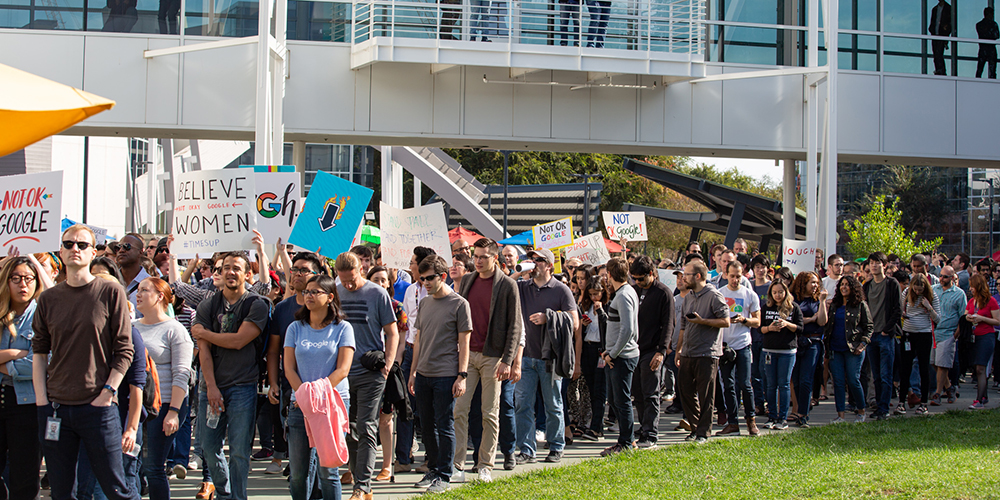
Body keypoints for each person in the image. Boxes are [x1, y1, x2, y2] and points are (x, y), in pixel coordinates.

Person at [32, 224, 138, 500]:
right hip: (56, 408)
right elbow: (40, 353)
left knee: (116, 489)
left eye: (81, 245)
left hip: (98, 408)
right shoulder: (48, 298)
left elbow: (125, 351)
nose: (74, 249)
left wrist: (108, 392)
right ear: (61, 251)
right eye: (68, 244)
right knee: (62, 492)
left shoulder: (110, 292)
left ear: (93, 252)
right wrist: (42, 401)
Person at [192, 252, 271, 500]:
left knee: (238, 450)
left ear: (248, 274)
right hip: (211, 387)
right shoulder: (207, 305)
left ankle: (238, 497)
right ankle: (225, 493)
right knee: (209, 446)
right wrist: (211, 387)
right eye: (226, 267)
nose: (230, 272)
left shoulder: (256, 304)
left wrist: (204, 334)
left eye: (236, 268)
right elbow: (203, 353)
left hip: (242, 387)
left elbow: (239, 341)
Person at [453, 238, 522, 482]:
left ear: (495, 258)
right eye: (476, 256)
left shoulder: (506, 285)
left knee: (489, 413)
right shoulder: (468, 280)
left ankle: (486, 465)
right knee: (460, 409)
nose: (478, 260)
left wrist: (508, 359)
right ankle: (458, 464)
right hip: (468, 355)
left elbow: (515, 325)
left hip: (493, 356)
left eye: (483, 256)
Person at [334, 252, 399, 500]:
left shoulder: (376, 294)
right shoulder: (337, 292)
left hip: (371, 371)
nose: (348, 285)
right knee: (349, 428)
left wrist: (388, 364)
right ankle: (356, 473)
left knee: (367, 426)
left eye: (352, 279)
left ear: (361, 270)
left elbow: (392, 332)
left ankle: (363, 486)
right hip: (342, 372)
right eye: (343, 280)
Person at [284, 275, 355, 500]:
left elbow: (343, 369)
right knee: (297, 473)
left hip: (331, 404)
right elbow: (289, 368)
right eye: (307, 291)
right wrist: (305, 396)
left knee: (328, 471)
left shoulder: (343, 328)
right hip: (300, 404)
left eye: (316, 292)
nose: (309, 296)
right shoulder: (295, 328)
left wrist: (318, 394)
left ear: (330, 297)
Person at [408, 256, 471, 494]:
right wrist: (413, 372)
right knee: (426, 424)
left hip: (446, 374)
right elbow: (419, 339)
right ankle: (433, 468)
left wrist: (462, 375)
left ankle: (446, 474)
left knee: (445, 424)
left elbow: (464, 343)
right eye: (421, 278)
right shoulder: (424, 303)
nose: (424, 282)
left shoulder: (459, 304)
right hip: (424, 373)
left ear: (442, 276)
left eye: (429, 278)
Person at [263, 252, 325, 491]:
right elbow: (273, 351)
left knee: (320, 448)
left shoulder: (328, 308)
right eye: (294, 269)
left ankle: (316, 490)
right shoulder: (282, 309)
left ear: (317, 276)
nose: (297, 274)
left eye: (304, 270)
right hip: (291, 389)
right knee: (298, 445)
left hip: (323, 390)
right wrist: (274, 382)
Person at [514, 248, 576, 463]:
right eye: (531, 259)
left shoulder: (561, 290)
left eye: (538, 260)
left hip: (550, 358)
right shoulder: (523, 286)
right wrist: (520, 270)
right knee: (523, 405)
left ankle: (556, 446)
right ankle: (526, 449)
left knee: (553, 404)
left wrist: (549, 317)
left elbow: (574, 322)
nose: (533, 263)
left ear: (549, 265)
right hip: (525, 356)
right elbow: (501, 286)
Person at [135, 277, 194, 500]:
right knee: (132, 464)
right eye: (138, 290)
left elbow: (182, 373)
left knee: (153, 467)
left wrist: (174, 412)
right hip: (135, 405)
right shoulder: (132, 327)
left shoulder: (175, 330)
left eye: (145, 290)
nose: (138, 294)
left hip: (164, 405)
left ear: (160, 296)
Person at [0, 254, 51, 500]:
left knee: (24, 475)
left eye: (29, 278)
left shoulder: (43, 315)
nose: (23, 284)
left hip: (28, 405)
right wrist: (13, 354)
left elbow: (41, 363)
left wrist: (5, 362)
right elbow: (29, 359)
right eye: (16, 278)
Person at [674, 259, 730, 444]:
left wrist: (703, 321)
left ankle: (704, 433)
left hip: (707, 353)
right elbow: (683, 326)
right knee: (685, 391)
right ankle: (695, 426)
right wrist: (679, 350)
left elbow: (726, 321)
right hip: (688, 351)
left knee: (706, 395)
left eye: (687, 275)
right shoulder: (688, 297)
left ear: (698, 276)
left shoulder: (714, 296)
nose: (683, 278)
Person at [366, 266, 407, 482]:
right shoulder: (362, 303)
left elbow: (400, 338)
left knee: (386, 418)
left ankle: (386, 465)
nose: (380, 284)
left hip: (388, 368)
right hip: (364, 367)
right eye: (376, 279)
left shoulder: (396, 307)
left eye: (384, 280)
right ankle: (358, 466)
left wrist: (393, 362)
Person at [395, 246, 435, 475]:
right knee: (404, 406)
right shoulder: (410, 290)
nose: (409, 266)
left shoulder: (438, 292)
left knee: (428, 408)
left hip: (431, 353)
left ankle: (432, 458)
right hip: (410, 350)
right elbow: (408, 325)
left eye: (412, 263)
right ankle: (403, 457)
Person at [628, 256, 673, 447]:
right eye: (634, 279)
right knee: (637, 392)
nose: (637, 282)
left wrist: (661, 351)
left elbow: (669, 324)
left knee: (651, 393)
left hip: (653, 350)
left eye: (641, 279)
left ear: (651, 274)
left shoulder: (663, 293)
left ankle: (651, 433)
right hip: (636, 348)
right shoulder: (635, 290)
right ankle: (644, 425)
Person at [598, 257, 639, 456]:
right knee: (615, 400)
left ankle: (626, 442)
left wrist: (612, 353)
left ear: (611, 275)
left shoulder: (623, 295)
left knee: (621, 401)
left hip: (622, 356)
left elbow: (628, 329)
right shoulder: (625, 292)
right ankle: (627, 439)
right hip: (616, 354)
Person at [716, 261, 760, 436]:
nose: (735, 280)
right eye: (732, 276)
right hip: (726, 346)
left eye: (738, 276)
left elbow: (757, 322)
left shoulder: (750, 295)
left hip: (743, 344)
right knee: (728, 385)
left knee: (745, 384)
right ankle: (732, 422)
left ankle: (751, 420)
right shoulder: (720, 294)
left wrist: (744, 320)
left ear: (743, 275)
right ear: (726, 275)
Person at [824, 276, 872, 423]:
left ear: (853, 287)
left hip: (853, 349)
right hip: (835, 349)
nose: (844, 287)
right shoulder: (834, 305)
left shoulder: (860, 305)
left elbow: (869, 327)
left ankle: (861, 410)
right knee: (838, 382)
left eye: (847, 285)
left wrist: (862, 344)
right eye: (842, 285)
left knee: (853, 379)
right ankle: (840, 415)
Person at [862, 252, 903, 420]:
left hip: (885, 335)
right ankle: (878, 406)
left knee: (886, 374)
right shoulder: (867, 285)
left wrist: (887, 329)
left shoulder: (892, 284)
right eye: (871, 263)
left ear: (884, 265)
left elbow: (897, 309)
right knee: (875, 375)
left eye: (877, 263)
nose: (874, 266)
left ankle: (884, 408)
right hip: (871, 335)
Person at [759, 279, 804, 430]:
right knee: (771, 385)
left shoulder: (794, 308)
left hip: (787, 351)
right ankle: (771, 416)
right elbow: (760, 329)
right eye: (774, 292)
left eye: (780, 292)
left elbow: (800, 328)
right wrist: (770, 328)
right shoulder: (766, 308)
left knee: (784, 384)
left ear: (786, 292)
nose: (778, 295)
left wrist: (786, 324)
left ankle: (782, 418)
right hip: (769, 350)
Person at [895, 273, 939, 416]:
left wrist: (928, 307)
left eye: (920, 289)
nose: (918, 292)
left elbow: (938, 318)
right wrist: (903, 314)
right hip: (908, 333)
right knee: (905, 368)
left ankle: (923, 403)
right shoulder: (906, 293)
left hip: (924, 333)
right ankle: (901, 402)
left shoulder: (932, 297)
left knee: (923, 368)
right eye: (916, 289)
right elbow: (900, 309)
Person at [789, 271, 827, 427]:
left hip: (813, 341)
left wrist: (823, 302)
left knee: (806, 380)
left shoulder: (817, 300)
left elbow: (823, 321)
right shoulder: (793, 300)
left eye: (817, 282)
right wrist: (811, 318)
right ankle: (798, 410)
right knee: (796, 380)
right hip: (796, 341)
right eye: (812, 282)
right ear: (802, 284)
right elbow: (794, 320)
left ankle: (804, 414)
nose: (815, 285)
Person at [930, 266, 966, 405]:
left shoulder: (959, 294)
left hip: (948, 333)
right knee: (934, 362)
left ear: (952, 278)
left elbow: (963, 317)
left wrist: (955, 335)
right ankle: (949, 388)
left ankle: (938, 394)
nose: (941, 279)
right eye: (940, 276)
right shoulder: (934, 290)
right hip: (933, 332)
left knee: (942, 365)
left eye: (945, 277)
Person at [577, 278, 608, 439]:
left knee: (599, 390)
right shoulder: (586, 306)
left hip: (600, 350)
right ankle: (596, 424)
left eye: (597, 294)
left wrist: (601, 311)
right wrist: (582, 324)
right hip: (588, 347)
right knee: (591, 387)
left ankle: (596, 426)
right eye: (591, 294)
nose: (594, 298)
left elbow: (609, 327)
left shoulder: (607, 306)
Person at [965, 274, 999, 409]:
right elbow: (966, 313)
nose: (970, 289)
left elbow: (997, 320)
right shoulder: (972, 301)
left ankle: (978, 399)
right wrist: (969, 317)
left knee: (981, 368)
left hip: (987, 336)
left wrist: (982, 318)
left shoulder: (991, 301)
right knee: (976, 367)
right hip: (974, 336)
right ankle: (984, 396)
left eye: (972, 286)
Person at [117, 234, 152, 311]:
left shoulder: (151, 284)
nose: (121, 250)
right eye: (118, 247)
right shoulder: (110, 280)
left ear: (140, 252)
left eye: (127, 247)